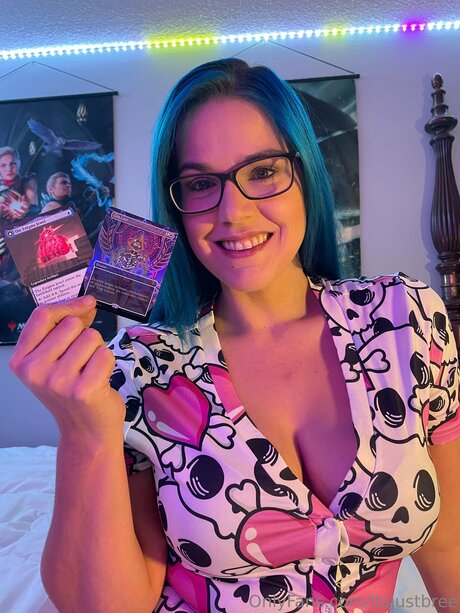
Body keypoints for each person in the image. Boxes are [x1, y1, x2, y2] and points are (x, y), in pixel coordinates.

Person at [9, 58, 460, 612]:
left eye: (263, 171)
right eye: (201, 183)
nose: (234, 212)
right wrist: (84, 433)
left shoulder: (407, 319)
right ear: (176, 206)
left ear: (305, 176)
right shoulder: (139, 368)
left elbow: (448, 544)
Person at [0, 146, 38, 222]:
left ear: (18, 164)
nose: (9, 169)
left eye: (12, 163)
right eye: (3, 165)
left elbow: (33, 206)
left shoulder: (28, 181)